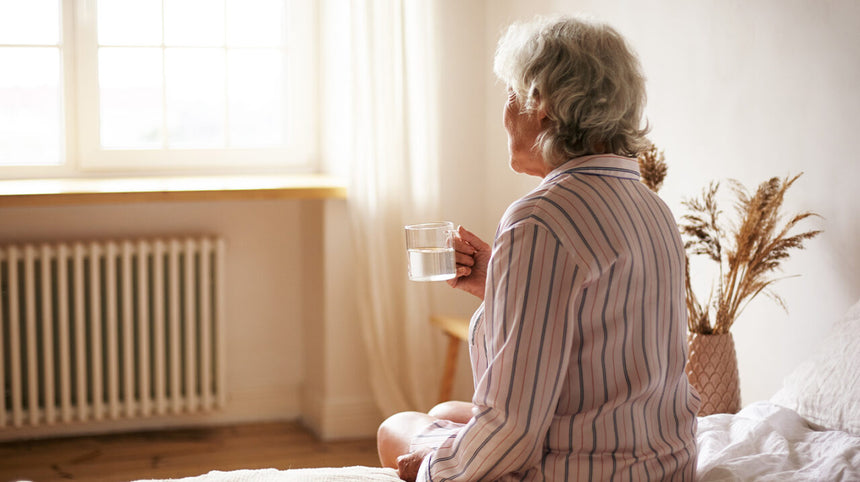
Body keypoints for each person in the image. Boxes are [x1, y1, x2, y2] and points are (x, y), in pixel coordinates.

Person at [378, 14, 700, 481]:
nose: (505, 114)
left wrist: (434, 469)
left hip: (584, 470)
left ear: (541, 104)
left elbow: (513, 424)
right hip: (665, 464)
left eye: (510, 96)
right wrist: (499, 281)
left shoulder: (540, 218)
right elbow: (602, 324)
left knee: (397, 427)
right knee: (449, 408)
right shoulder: (653, 207)